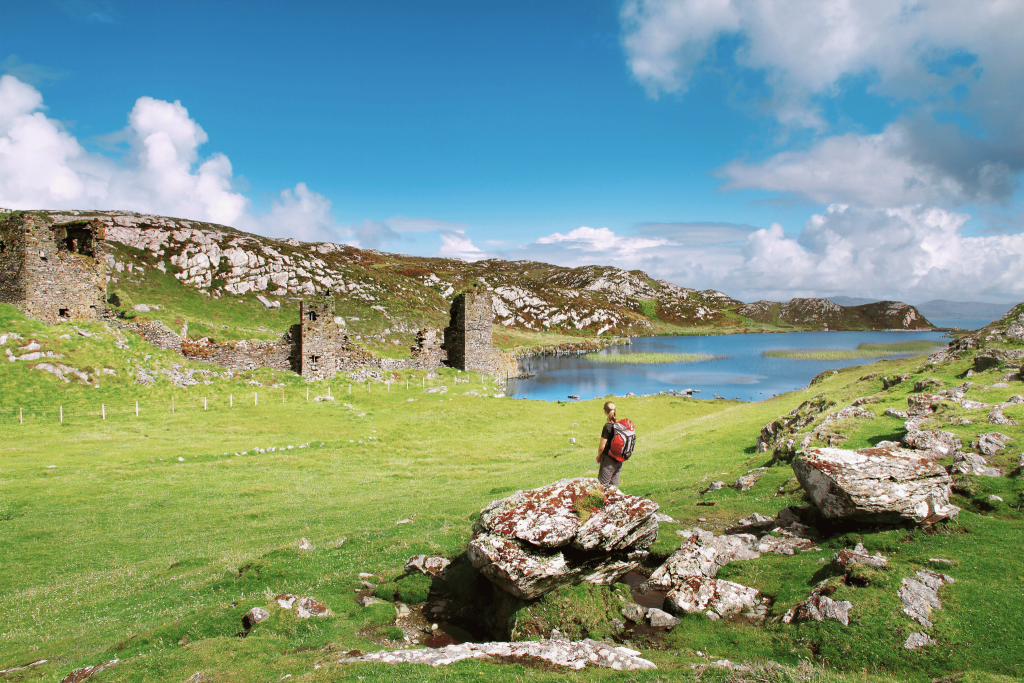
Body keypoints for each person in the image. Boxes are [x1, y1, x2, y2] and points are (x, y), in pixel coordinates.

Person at [596, 400, 625, 487]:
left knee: (602, 486)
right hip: (619, 459)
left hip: (608, 460)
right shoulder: (620, 425)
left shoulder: (607, 426)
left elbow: (602, 447)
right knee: (613, 486)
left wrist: (599, 457)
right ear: (615, 410)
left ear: (605, 411)